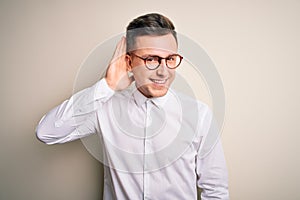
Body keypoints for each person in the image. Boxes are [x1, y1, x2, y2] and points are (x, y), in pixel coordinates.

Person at [36, 13, 229, 200]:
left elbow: (215, 190)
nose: (163, 72)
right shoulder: (105, 107)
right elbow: (47, 133)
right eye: (151, 59)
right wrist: (107, 85)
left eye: (170, 59)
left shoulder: (199, 115)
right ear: (129, 62)